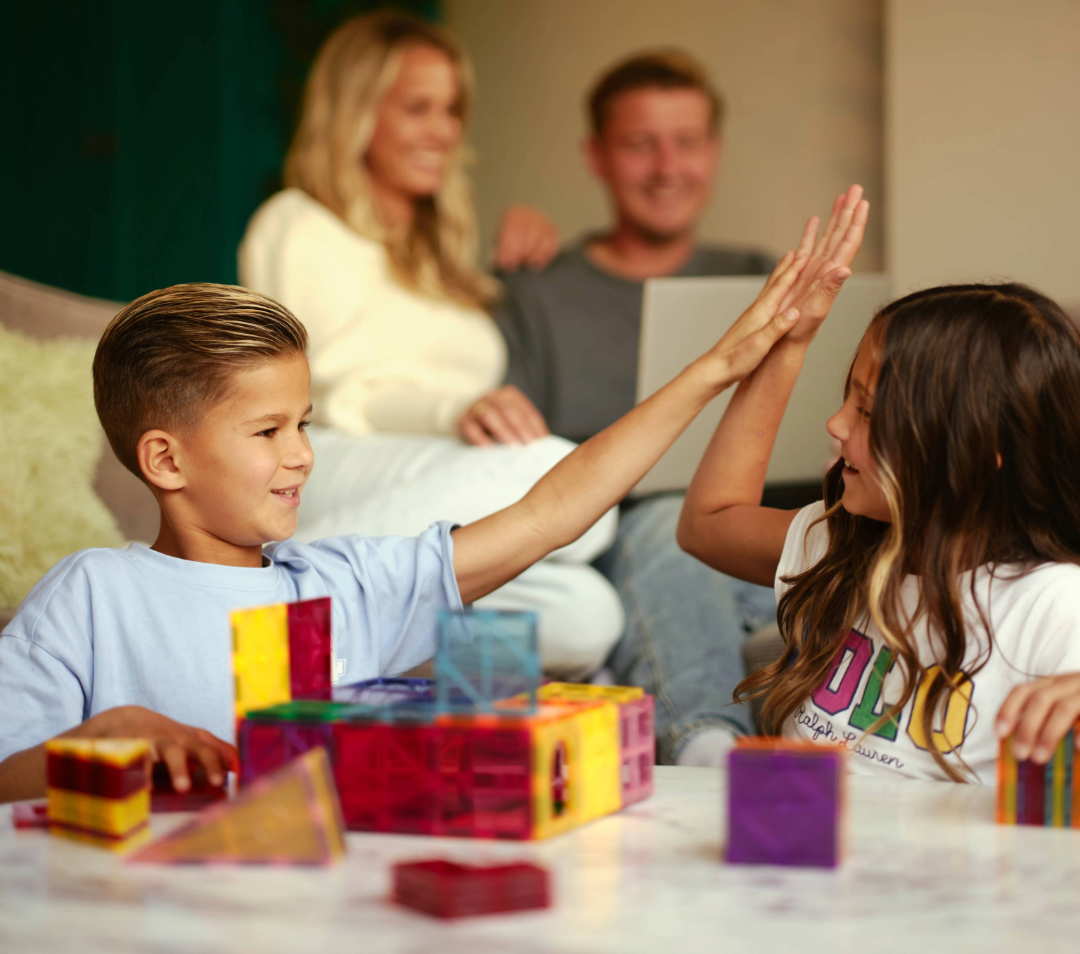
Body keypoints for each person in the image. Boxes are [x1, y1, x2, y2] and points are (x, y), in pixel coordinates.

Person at [0, 238, 823, 801]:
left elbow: (552, 512)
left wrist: (717, 370)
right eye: (267, 431)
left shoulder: (346, 586)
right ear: (165, 461)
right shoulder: (92, 594)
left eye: (304, 425)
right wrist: (99, 741)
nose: (302, 456)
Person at [239, 10, 620, 680]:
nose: (443, 130)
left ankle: (317, 650)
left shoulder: (441, 259)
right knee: (565, 475)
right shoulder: (299, 223)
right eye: (418, 108)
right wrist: (452, 411)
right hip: (324, 463)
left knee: (585, 616)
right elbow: (334, 386)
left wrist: (527, 266)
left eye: (451, 110)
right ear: (356, 114)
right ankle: (251, 600)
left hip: (428, 477)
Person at [679, 233, 1080, 780]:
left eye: (867, 413)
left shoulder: (1053, 605)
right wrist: (789, 344)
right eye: (848, 398)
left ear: (972, 455)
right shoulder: (839, 542)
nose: (835, 424)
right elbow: (707, 524)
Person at [487, 49, 782, 765]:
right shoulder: (536, 290)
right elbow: (513, 448)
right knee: (671, 525)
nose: (667, 167)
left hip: (763, 537)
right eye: (640, 144)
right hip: (637, 537)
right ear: (597, 156)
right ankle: (707, 748)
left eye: (687, 142)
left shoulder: (761, 276)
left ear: (714, 151)